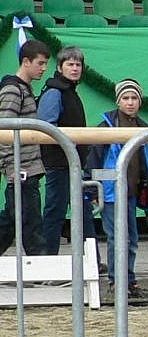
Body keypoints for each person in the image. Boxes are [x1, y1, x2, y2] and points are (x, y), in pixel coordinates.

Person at [88, 79, 148, 295]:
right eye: (125, 98)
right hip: (111, 193)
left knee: (131, 238)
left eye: (134, 98)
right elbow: (94, 160)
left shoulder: (143, 129)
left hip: (131, 192)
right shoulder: (105, 128)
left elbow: (147, 164)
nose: (130, 102)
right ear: (118, 101)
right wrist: (94, 190)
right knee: (116, 237)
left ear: (139, 102)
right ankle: (116, 281)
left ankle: (129, 281)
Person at [37, 45, 100, 265]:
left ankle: (91, 261)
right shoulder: (55, 92)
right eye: (70, 64)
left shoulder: (68, 92)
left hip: (73, 163)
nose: (75, 68)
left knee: (83, 213)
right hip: (59, 163)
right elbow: (46, 128)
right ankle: (47, 262)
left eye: (78, 64)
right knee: (55, 211)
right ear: (60, 67)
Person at [0, 39, 49, 257]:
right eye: (40, 63)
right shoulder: (13, 90)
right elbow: (4, 130)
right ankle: (42, 268)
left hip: (25, 166)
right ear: (26, 62)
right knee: (28, 221)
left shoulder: (22, 89)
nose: (43, 68)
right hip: (20, 167)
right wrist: (11, 165)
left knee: (14, 218)